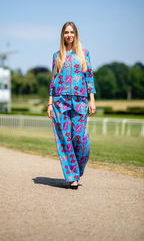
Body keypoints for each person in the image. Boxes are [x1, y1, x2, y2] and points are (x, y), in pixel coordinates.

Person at [47, 21, 96, 190]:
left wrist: (92, 99)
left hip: (80, 101)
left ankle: (76, 170)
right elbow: (53, 80)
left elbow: (89, 77)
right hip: (60, 102)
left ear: (76, 34)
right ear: (62, 35)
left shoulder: (84, 54)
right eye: (66, 32)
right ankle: (72, 177)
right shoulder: (57, 56)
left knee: (81, 140)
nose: (69, 35)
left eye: (72, 32)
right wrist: (50, 103)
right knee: (65, 140)